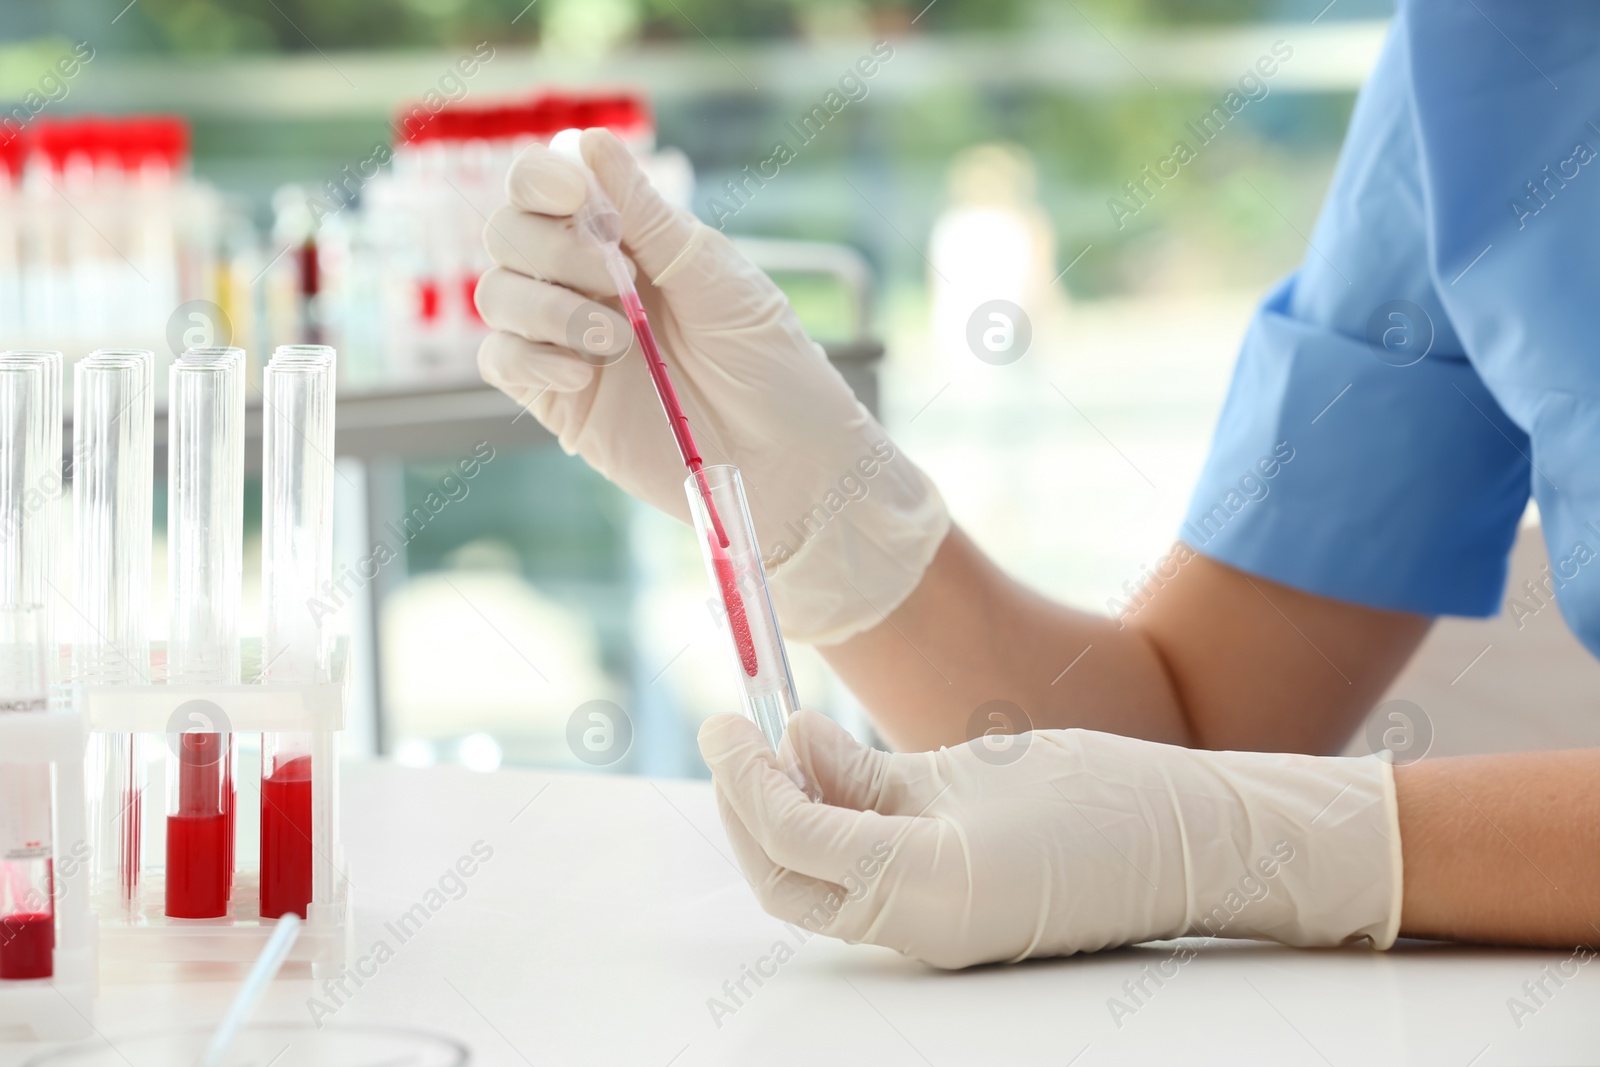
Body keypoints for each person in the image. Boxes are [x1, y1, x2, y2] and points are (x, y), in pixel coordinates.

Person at [472, 0, 1600, 968]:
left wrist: (1261, 842)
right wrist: (822, 513)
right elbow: (1187, 739)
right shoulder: (1479, 64)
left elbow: (1191, 814)